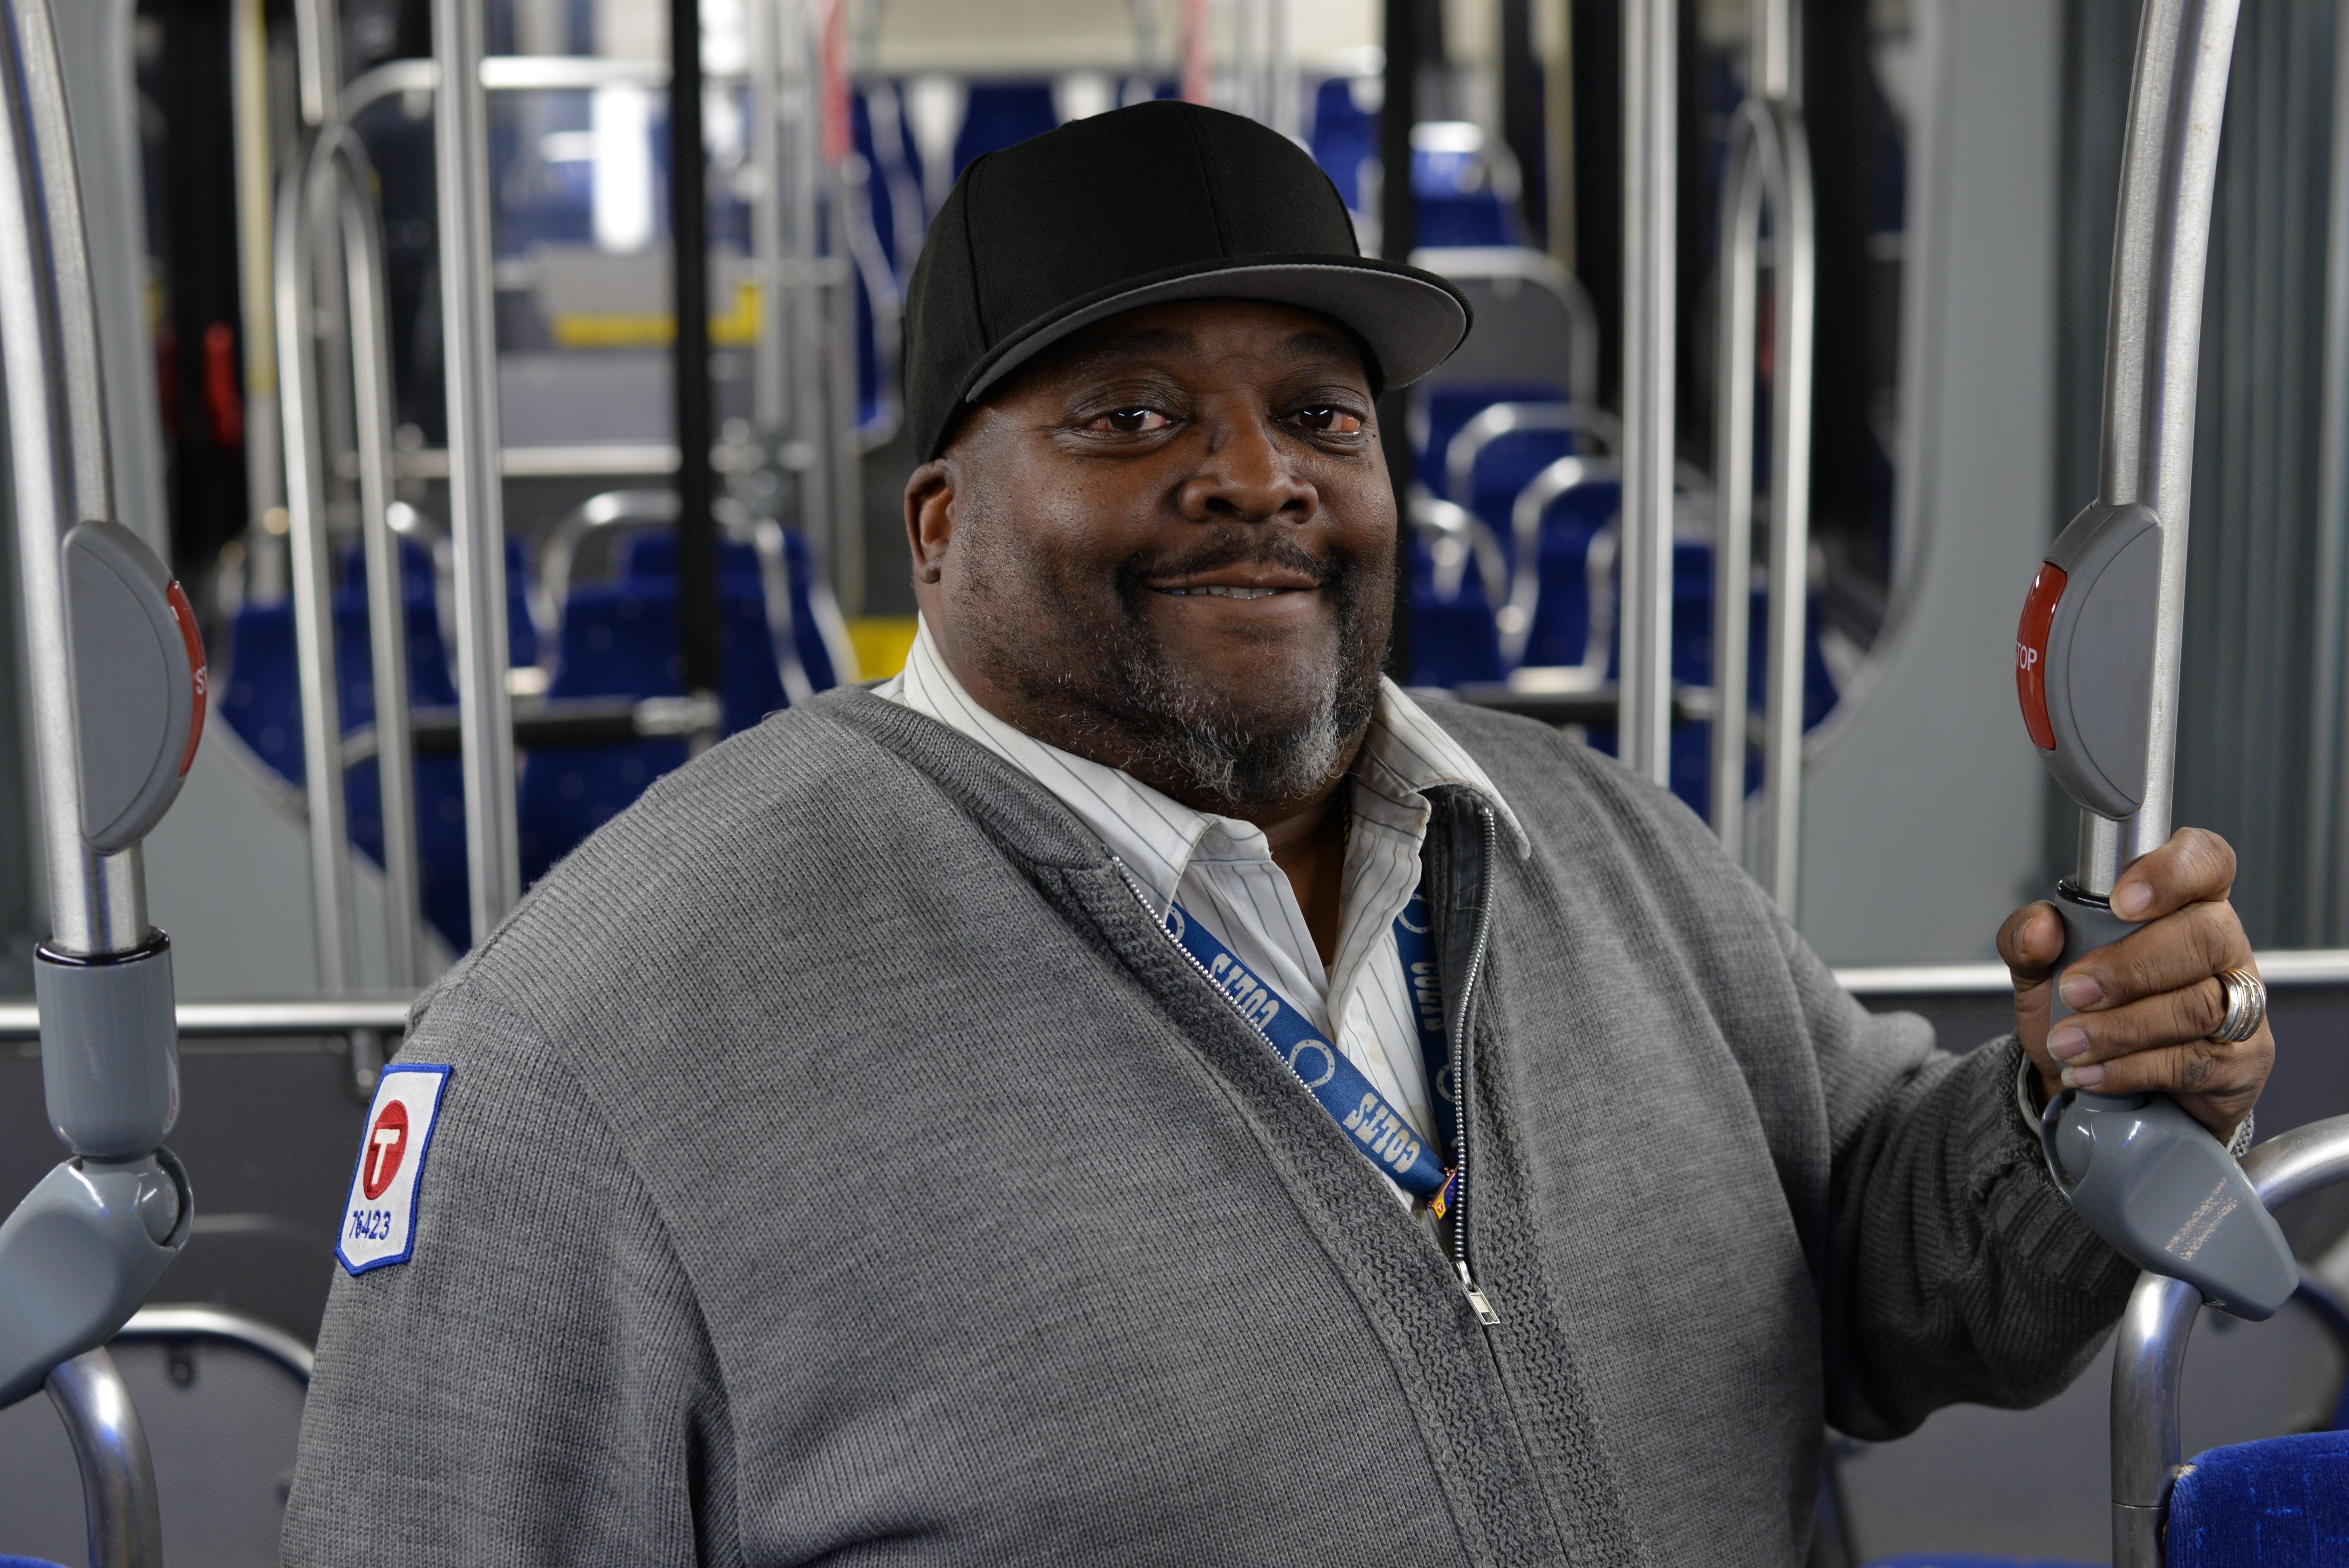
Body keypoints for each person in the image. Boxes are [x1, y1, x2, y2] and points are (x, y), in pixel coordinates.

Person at [284, 101, 2274, 1566]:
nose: (1258, 480)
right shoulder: (600, 1044)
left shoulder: (1593, 843)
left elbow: (1886, 1272)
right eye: (1132, 416)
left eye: (1322, 414)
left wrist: (2068, 1102)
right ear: (939, 524)